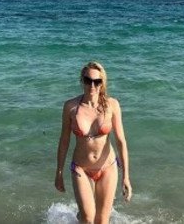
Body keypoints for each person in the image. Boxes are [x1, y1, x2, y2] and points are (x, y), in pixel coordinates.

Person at [55, 61, 132, 224]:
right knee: (88, 219)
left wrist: (126, 176)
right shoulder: (70, 107)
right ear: (82, 81)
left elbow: (121, 141)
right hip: (81, 168)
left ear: (102, 83)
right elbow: (64, 141)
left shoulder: (112, 105)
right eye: (88, 80)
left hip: (107, 167)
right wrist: (59, 172)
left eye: (97, 81)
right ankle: (82, 215)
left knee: (102, 220)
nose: (92, 85)